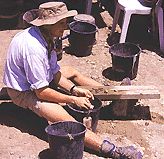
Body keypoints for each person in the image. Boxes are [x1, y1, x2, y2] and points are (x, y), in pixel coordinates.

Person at [3, 2, 143, 159]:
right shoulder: (33, 49)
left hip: (36, 81)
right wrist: (72, 99)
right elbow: (41, 92)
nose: (66, 27)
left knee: (71, 72)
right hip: (23, 92)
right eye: (61, 23)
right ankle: (113, 150)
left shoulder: (46, 36)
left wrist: (73, 89)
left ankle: (117, 98)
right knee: (65, 118)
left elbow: (54, 74)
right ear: (49, 24)